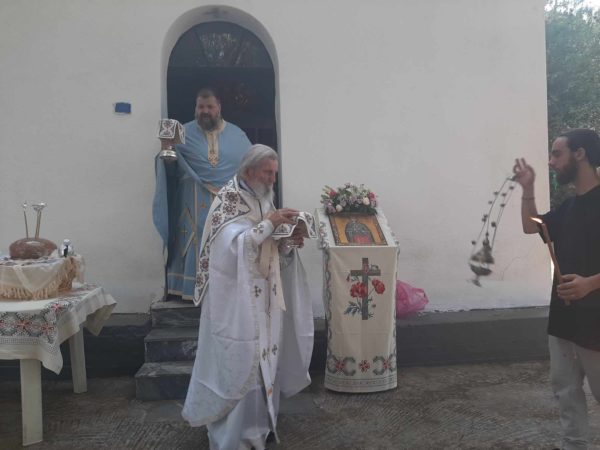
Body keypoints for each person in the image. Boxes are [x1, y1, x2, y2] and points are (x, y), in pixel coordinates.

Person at [182, 144, 314, 449]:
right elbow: (229, 251)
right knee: (242, 363)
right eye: (267, 173)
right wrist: (270, 223)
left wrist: (289, 241)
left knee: (266, 363)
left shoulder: (263, 198)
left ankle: (260, 428)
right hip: (235, 301)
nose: (272, 179)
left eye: (274, 174)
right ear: (249, 171)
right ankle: (236, 435)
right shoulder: (227, 201)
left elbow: (269, 247)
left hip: (265, 299)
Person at [514, 129, 600, 450]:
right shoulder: (568, 207)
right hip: (564, 322)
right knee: (566, 393)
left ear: (580, 154)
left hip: (596, 322)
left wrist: (590, 283)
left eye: (556, 153)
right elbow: (532, 225)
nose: (551, 162)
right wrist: (528, 188)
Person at [153, 87, 251, 301]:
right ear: (195, 108)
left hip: (227, 202)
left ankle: (226, 291)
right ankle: (191, 289)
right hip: (192, 200)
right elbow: (172, 173)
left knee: (226, 241)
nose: (205, 111)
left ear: (219, 108)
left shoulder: (238, 135)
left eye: (209, 107)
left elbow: (250, 169)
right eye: (200, 107)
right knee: (194, 238)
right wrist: (167, 154)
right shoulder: (182, 134)